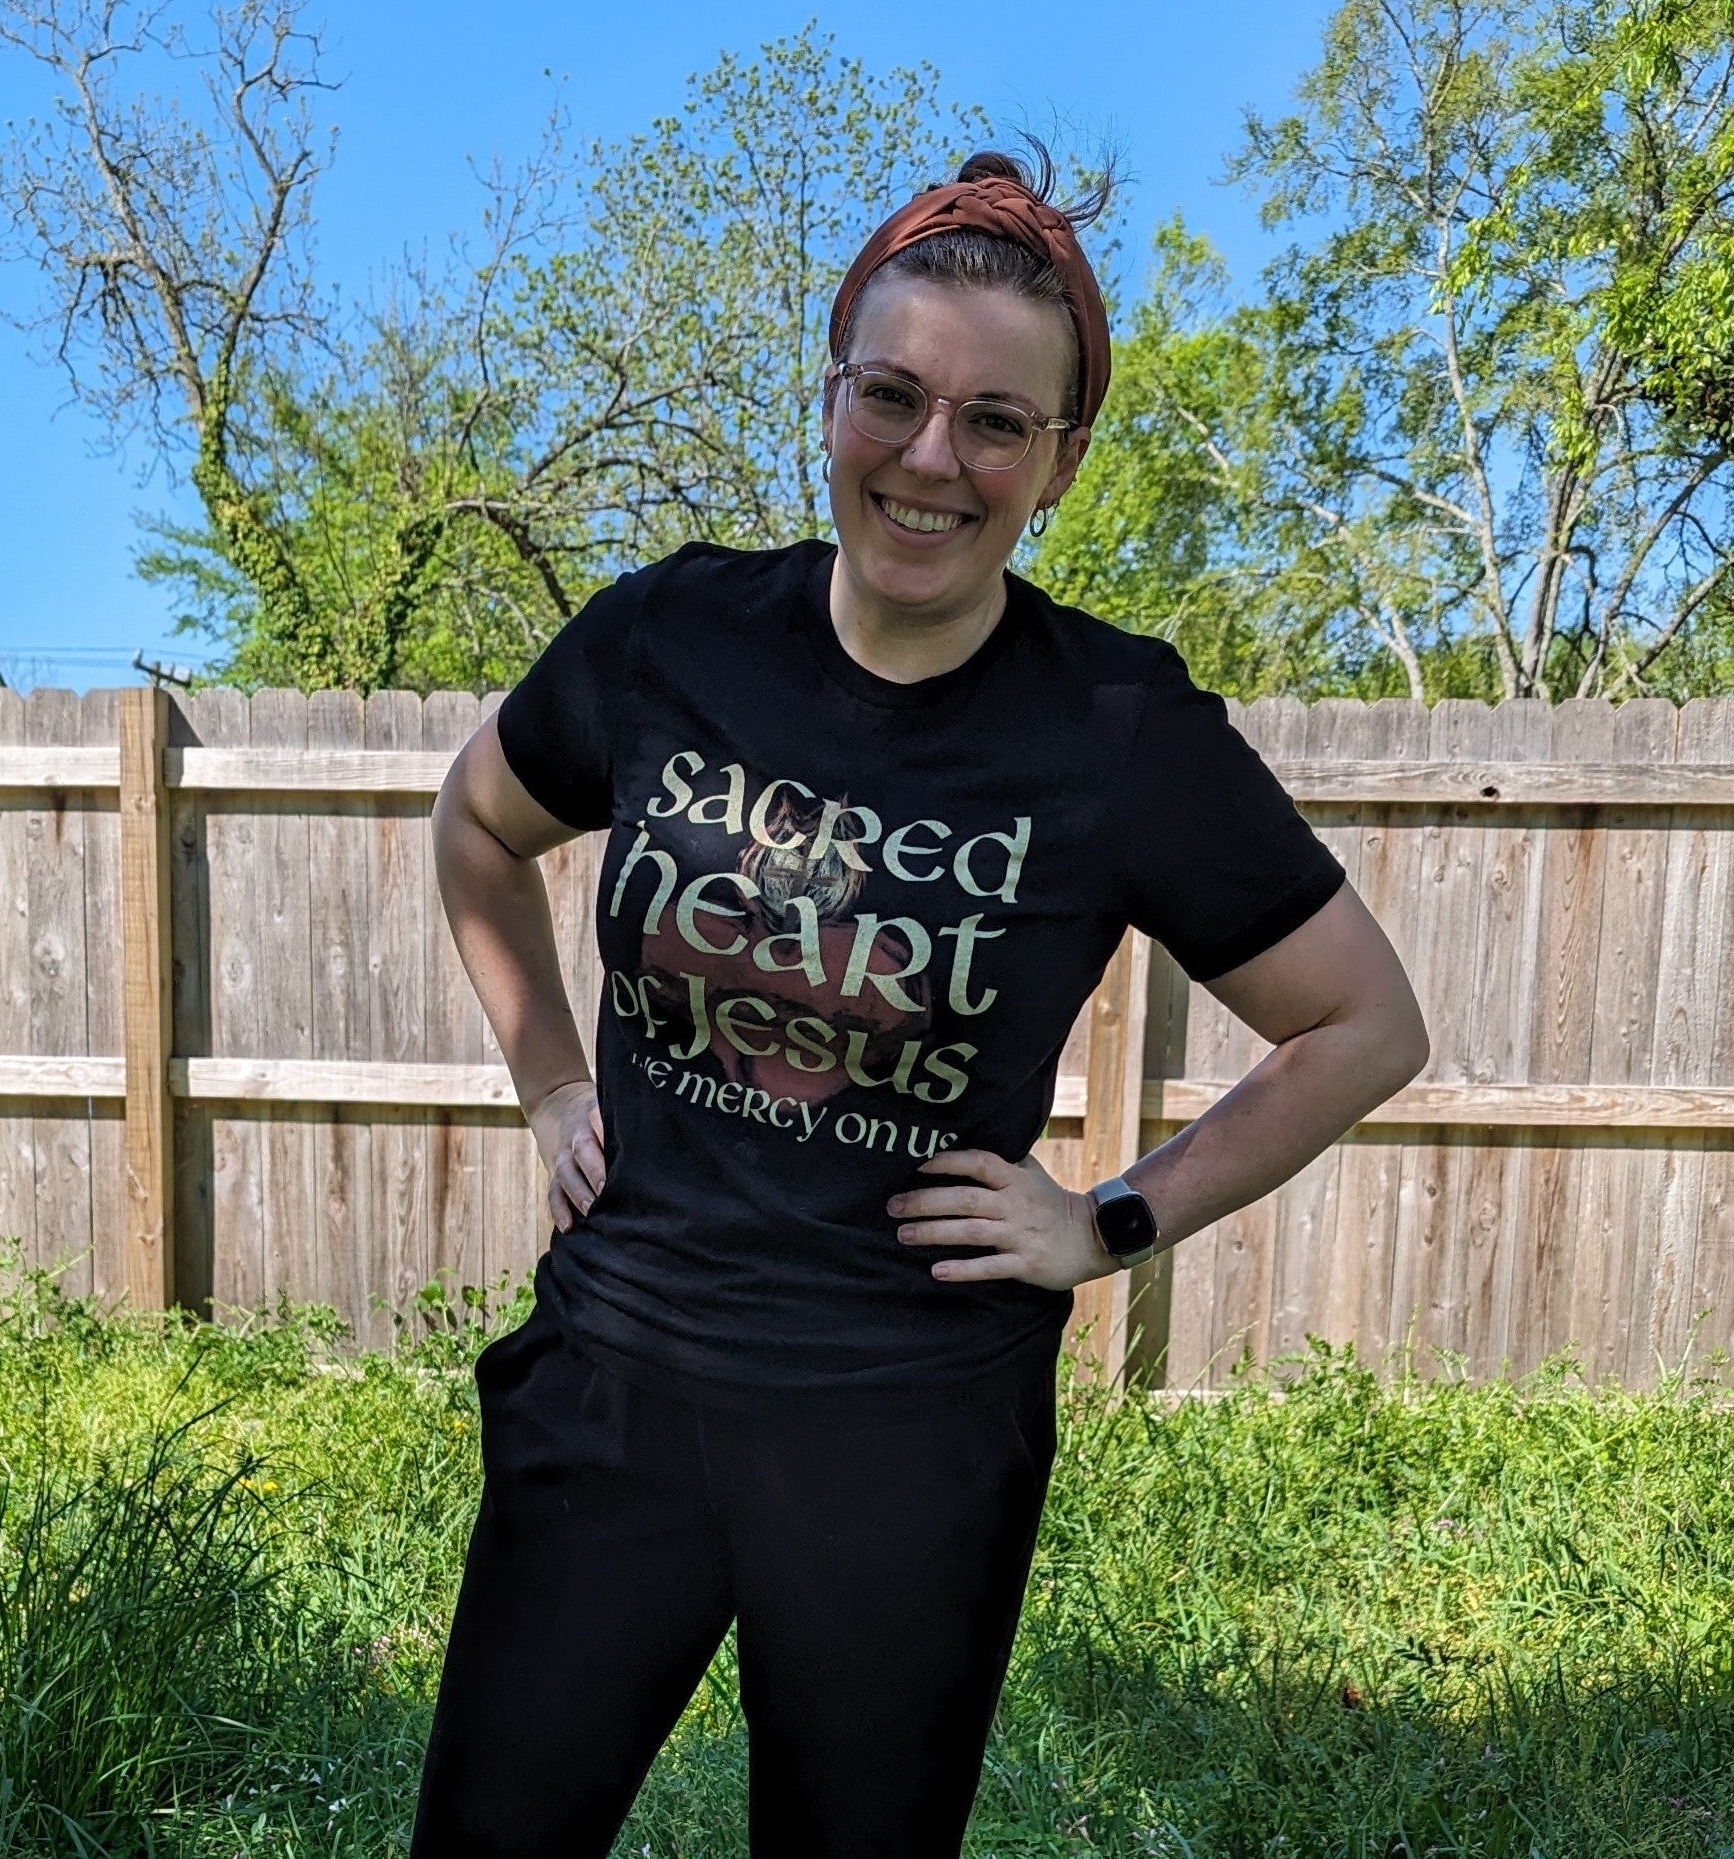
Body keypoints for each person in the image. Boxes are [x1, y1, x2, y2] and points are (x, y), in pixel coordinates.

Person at [412, 145, 1430, 1859]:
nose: (932, 458)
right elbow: (475, 826)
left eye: (996, 422)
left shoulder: (1119, 730)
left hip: (908, 1441)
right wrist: (549, 1084)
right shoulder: (671, 637)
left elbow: (1363, 1028)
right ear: (834, 396)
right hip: (617, 1390)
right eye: (892, 395)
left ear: (1059, 461)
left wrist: (1108, 1222)